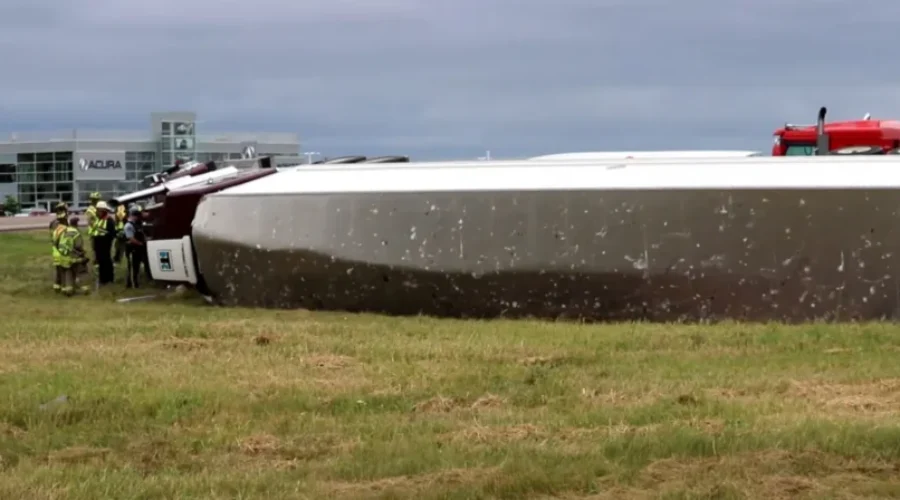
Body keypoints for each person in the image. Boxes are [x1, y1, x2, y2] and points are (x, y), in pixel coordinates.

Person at [56, 216, 90, 296]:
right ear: (76, 224)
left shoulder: (64, 231)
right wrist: (83, 254)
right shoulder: (75, 232)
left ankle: (69, 290)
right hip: (74, 257)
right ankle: (85, 289)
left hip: (64, 258)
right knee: (82, 271)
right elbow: (78, 246)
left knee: (68, 273)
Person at [91, 201, 116, 286]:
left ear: (104, 211)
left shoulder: (109, 220)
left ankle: (109, 279)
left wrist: (104, 236)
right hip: (98, 244)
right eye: (97, 210)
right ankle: (103, 279)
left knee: (106, 261)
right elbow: (95, 231)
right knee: (100, 262)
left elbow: (112, 234)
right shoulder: (98, 220)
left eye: (99, 210)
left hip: (105, 244)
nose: (97, 212)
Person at [123, 205, 147, 288]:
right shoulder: (129, 226)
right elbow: (131, 238)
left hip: (138, 249)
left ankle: (136, 282)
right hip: (132, 249)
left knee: (137, 266)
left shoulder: (137, 224)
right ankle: (133, 284)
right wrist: (140, 243)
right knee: (133, 267)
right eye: (137, 215)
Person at [50, 206, 68, 293]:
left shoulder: (56, 229)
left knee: (58, 270)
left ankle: (57, 286)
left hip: (55, 252)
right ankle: (64, 287)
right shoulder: (64, 229)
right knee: (64, 270)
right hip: (62, 252)